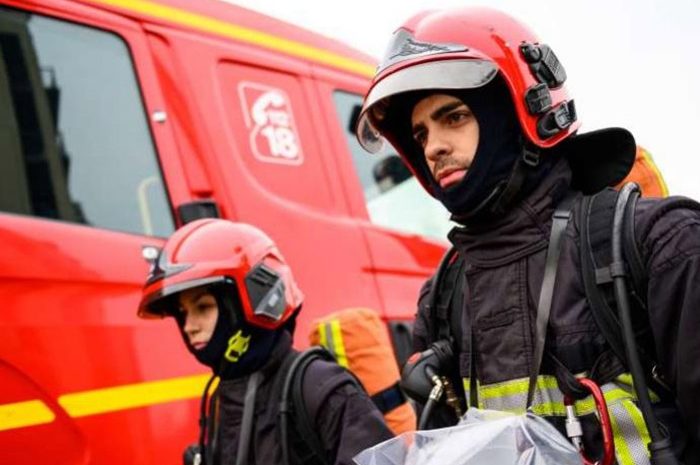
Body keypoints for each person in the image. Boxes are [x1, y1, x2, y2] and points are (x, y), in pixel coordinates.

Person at [355, 7, 699, 465]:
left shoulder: (659, 242)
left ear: (520, 111)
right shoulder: (442, 295)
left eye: (453, 117)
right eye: (420, 133)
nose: (433, 146)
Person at [137, 219, 392, 465]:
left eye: (203, 307)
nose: (189, 326)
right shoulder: (222, 398)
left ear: (254, 299)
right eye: (182, 313)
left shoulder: (318, 386)